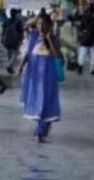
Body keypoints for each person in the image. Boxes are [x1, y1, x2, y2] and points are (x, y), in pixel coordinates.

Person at [19, 15, 62, 143]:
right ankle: (40, 130)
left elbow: (56, 55)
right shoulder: (34, 37)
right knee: (37, 99)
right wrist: (21, 66)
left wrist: (48, 39)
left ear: (49, 25)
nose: (40, 27)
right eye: (38, 24)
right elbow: (28, 52)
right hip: (34, 74)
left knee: (46, 100)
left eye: (43, 24)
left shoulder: (54, 39)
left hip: (48, 75)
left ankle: (41, 130)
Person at [75, 6, 94, 75]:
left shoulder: (84, 19)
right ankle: (92, 69)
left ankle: (80, 66)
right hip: (92, 40)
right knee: (93, 55)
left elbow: (80, 29)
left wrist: (82, 34)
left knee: (82, 53)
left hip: (84, 39)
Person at [1, 8, 25, 74]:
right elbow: (21, 31)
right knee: (16, 53)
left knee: (9, 53)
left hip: (7, 39)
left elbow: (3, 31)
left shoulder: (6, 21)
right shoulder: (18, 21)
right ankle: (10, 65)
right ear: (16, 14)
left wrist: (2, 39)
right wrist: (22, 39)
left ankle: (10, 66)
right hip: (15, 40)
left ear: (10, 13)